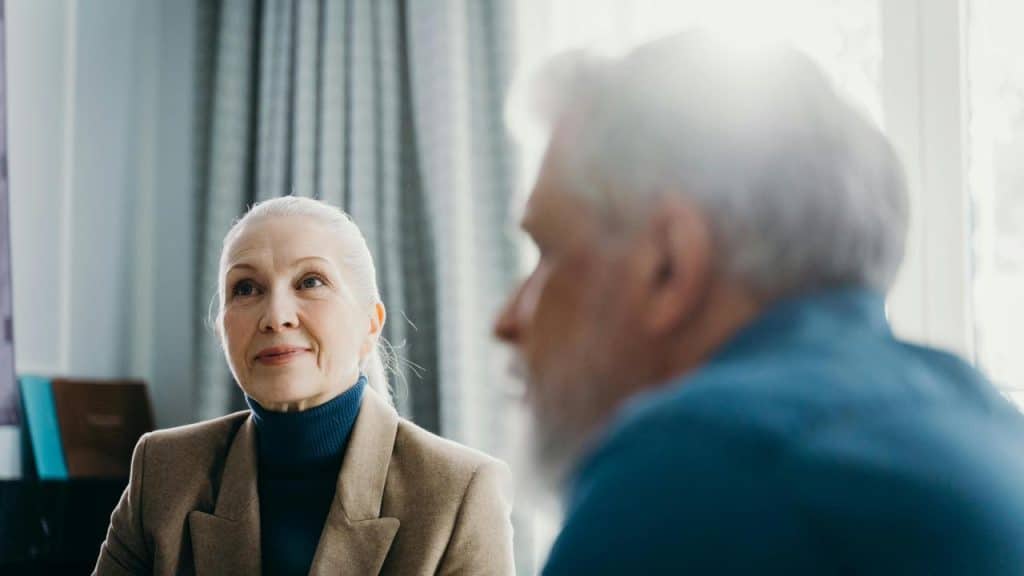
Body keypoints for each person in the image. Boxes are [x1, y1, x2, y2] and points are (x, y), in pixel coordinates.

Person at [494, 30, 1024, 574]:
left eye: (548, 251)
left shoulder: (698, 470)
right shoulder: (989, 422)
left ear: (668, 264)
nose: (507, 320)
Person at [95, 196, 514, 575]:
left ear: (370, 323)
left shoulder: (462, 491)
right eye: (246, 288)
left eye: (310, 282)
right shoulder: (163, 469)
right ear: (221, 329)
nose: (276, 316)